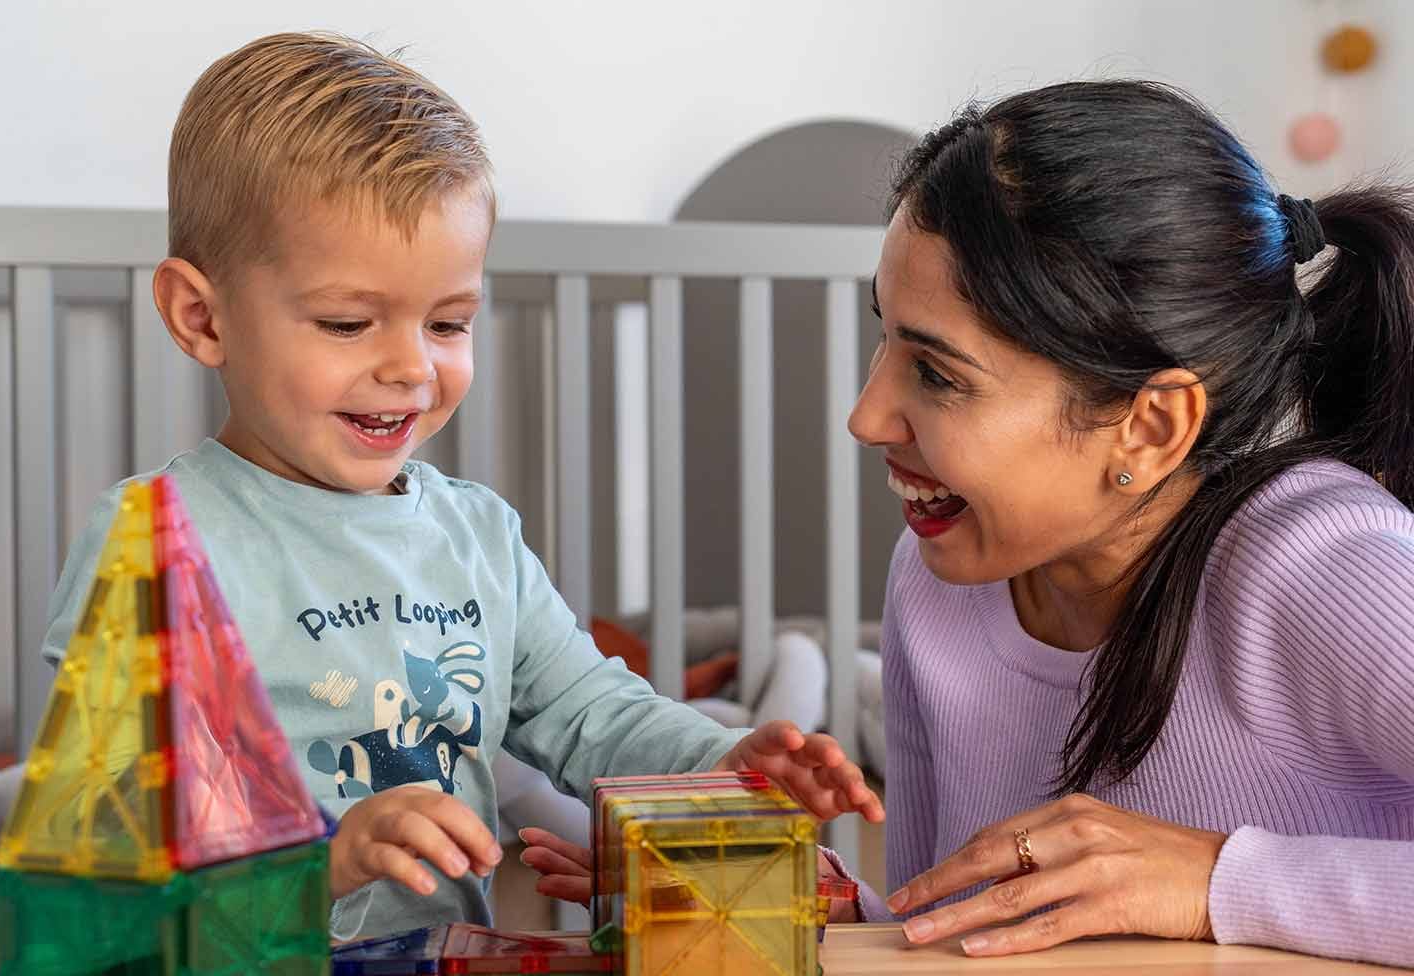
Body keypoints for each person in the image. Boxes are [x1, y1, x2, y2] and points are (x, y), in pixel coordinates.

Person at [525, 81, 1414, 969]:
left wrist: (1216, 881)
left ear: (1151, 425)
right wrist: (809, 901)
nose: (867, 416)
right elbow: (950, 926)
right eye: (888, 339)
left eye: (940, 375)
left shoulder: (1328, 570)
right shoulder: (935, 584)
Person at [40, 32, 882, 941]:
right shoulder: (162, 535)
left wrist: (722, 760)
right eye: (347, 322)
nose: (411, 366)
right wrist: (325, 857)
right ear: (201, 317)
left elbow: (588, 712)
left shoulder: (476, 535)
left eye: (448, 322)